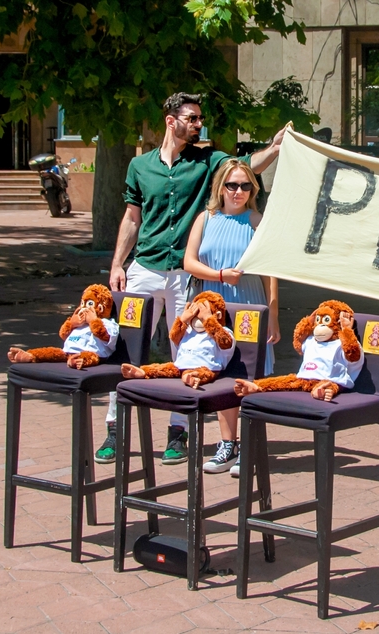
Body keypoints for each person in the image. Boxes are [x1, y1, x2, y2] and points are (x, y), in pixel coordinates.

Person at [96, 92, 286, 467]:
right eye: (193, 118)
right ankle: (115, 429)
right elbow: (132, 217)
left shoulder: (207, 160)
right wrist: (118, 263)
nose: (199, 124)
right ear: (171, 120)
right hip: (145, 269)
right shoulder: (141, 167)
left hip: (186, 278)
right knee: (124, 346)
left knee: (189, 353)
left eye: (200, 118)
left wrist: (275, 148)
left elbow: (246, 167)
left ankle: (177, 433)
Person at [183, 159, 281, 476]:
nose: (238, 191)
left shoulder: (256, 220)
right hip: (217, 308)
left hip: (250, 306)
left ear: (252, 190)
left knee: (249, 375)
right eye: (232, 185)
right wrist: (220, 275)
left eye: (245, 186)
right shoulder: (206, 219)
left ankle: (249, 446)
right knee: (221, 375)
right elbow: (188, 262)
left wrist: (273, 313)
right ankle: (228, 444)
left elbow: (271, 271)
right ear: (220, 187)